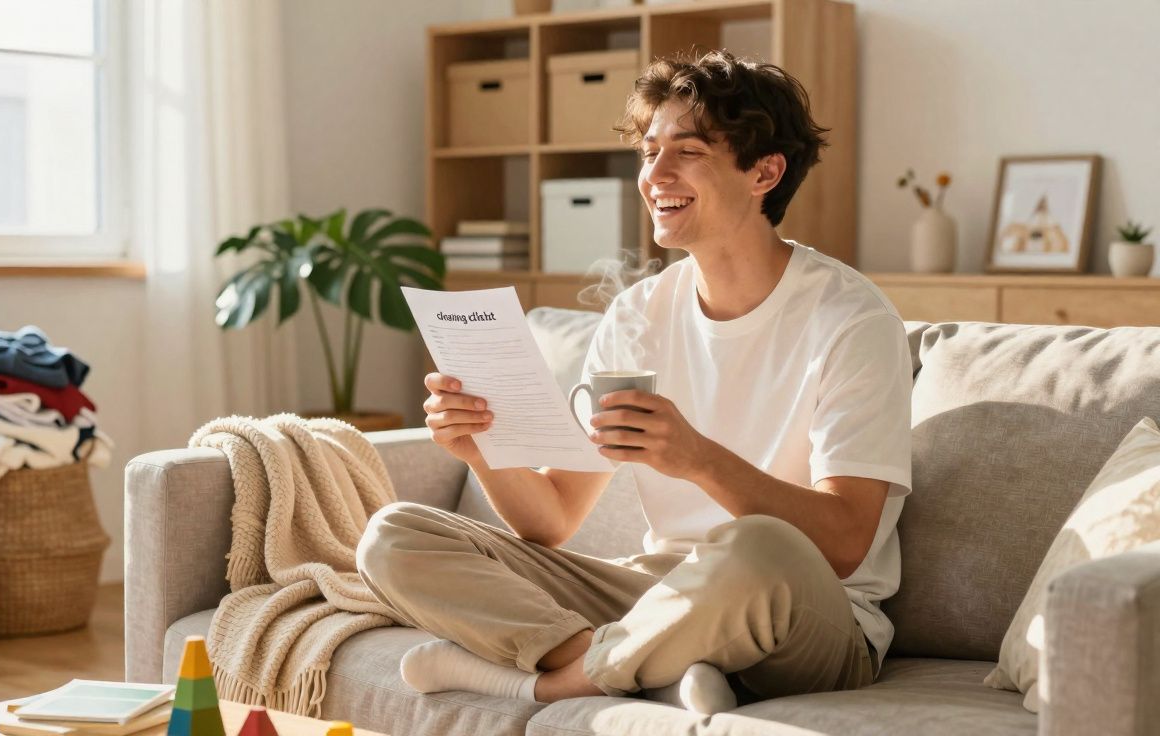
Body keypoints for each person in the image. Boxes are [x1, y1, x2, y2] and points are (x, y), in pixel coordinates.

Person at [356, 49, 912, 713]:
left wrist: (699, 460)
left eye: (687, 151)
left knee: (758, 544)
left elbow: (847, 543)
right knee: (394, 537)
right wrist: (482, 450)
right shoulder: (639, 312)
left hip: (808, 611)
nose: (655, 175)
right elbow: (554, 518)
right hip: (662, 593)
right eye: (649, 152)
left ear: (765, 171)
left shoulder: (849, 317)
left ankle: (555, 681)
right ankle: (656, 667)